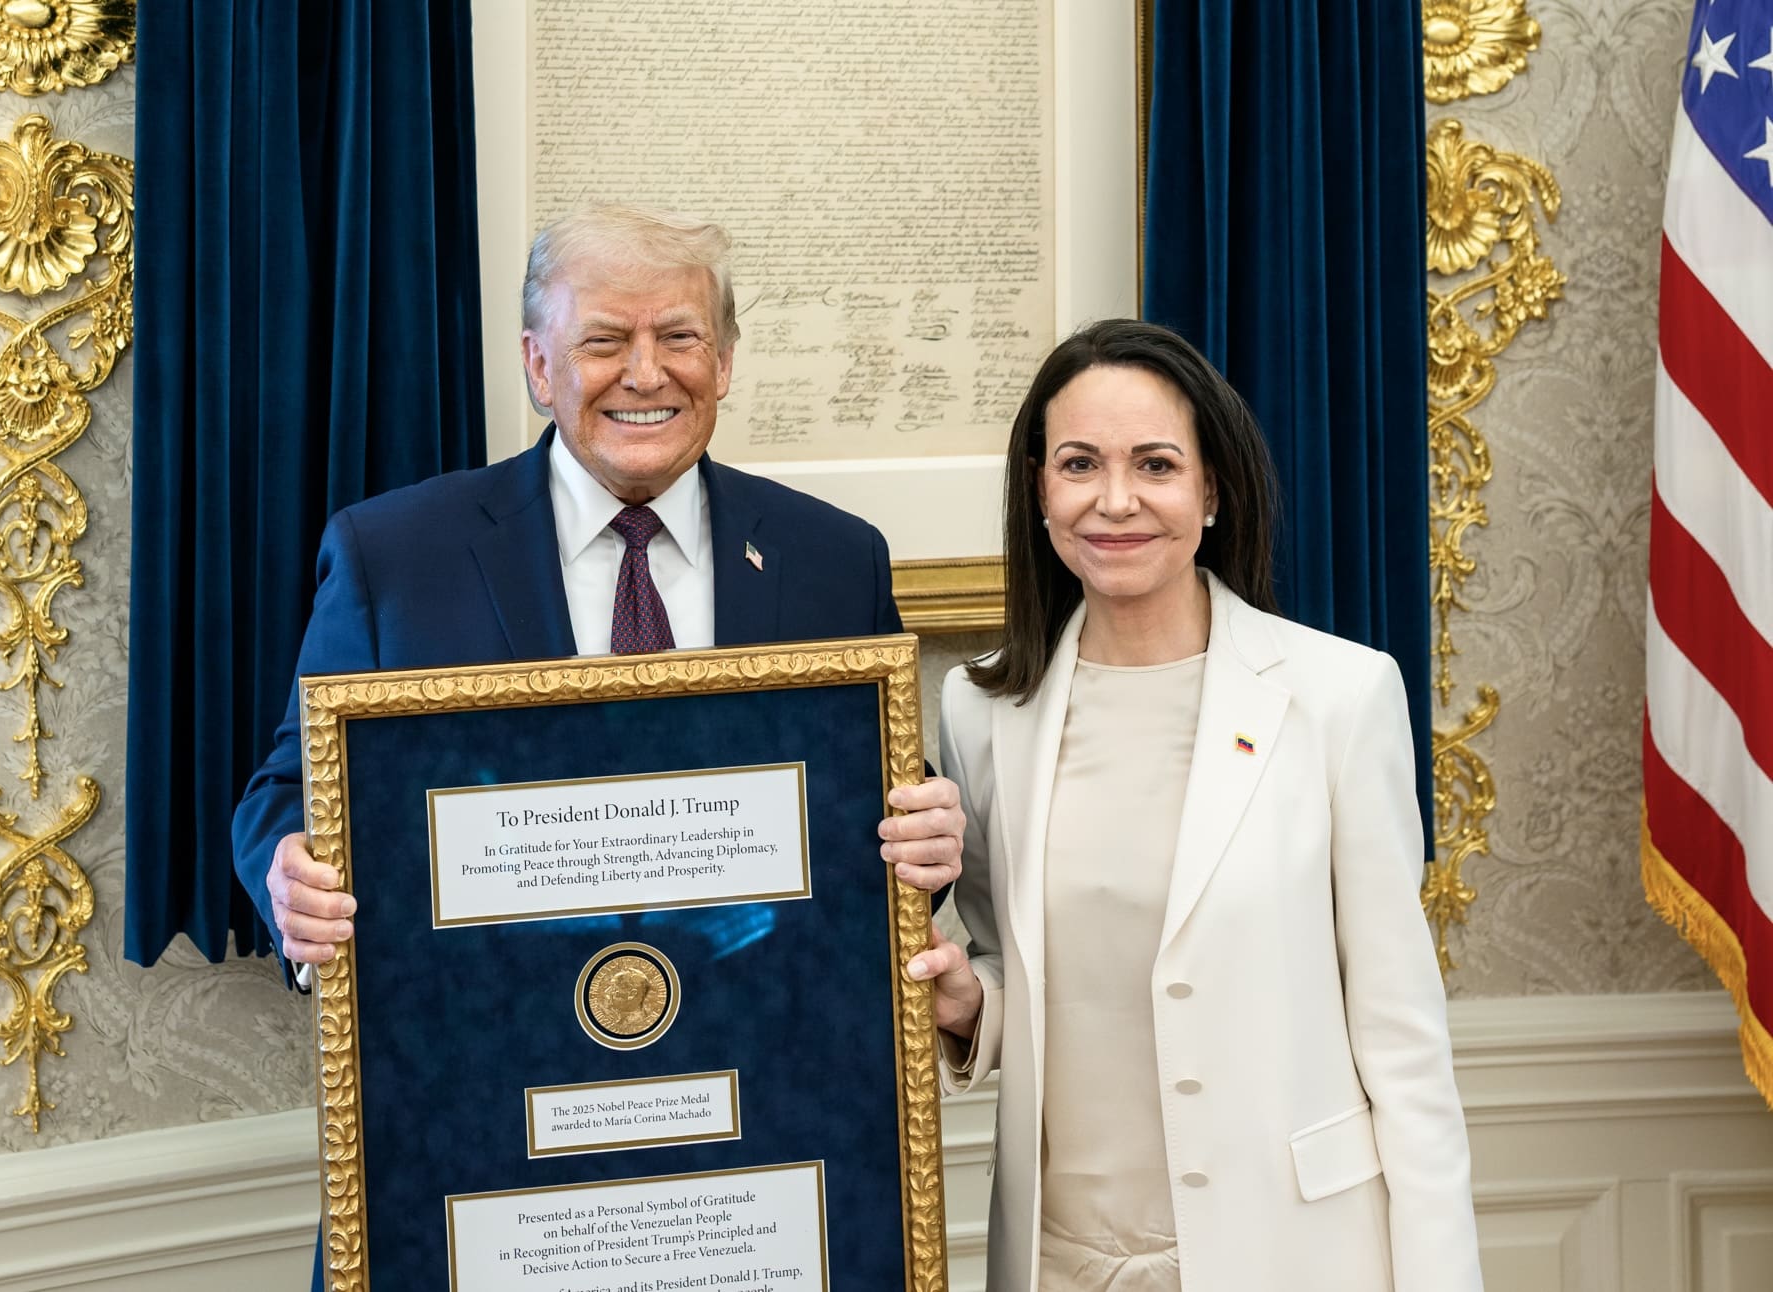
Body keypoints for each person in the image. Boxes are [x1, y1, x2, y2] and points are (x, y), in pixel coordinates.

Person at [905, 319, 1482, 1291]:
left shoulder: (1339, 696)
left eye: (1156, 464)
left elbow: (1402, 1039)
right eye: (1079, 464)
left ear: (1211, 489)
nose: (1115, 499)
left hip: (1291, 1253)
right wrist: (970, 1005)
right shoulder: (981, 707)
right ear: (1039, 490)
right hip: (1057, 1257)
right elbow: (1019, 961)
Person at [233, 204, 964, 971]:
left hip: (762, 1014)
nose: (645, 374)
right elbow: (293, 789)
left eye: (679, 337)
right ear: (538, 366)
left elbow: (880, 803)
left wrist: (927, 840)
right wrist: (292, 878)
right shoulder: (393, 558)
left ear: (723, 362)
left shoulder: (835, 559)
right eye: (604, 341)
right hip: (491, 1016)